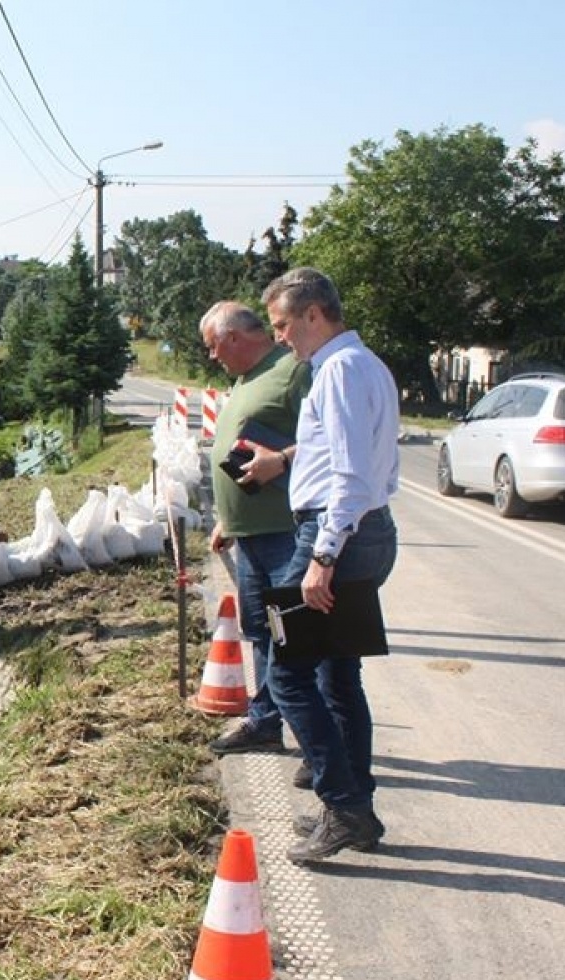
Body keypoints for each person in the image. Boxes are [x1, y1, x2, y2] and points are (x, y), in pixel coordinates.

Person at [260, 267, 400, 864]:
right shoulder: (363, 365)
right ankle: (351, 808)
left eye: (284, 325)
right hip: (360, 531)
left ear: (313, 314)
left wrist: (322, 556)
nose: (282, 338)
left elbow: (350, 476)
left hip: (334, 533)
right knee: (337, 676)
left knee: (286, 672)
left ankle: (344, 807)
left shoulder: (340, 371)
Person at [199, 302, 310, 757]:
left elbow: (326, 441)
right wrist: (229, 516)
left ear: (233, 338)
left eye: (212, 347)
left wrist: (281, 462)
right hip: (251, 532)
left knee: (298, 638)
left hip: (286, 531)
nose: (212, 358)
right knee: (263, 632)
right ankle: (266, 723)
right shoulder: (246, 380)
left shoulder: (293, 372)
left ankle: (316, 744)